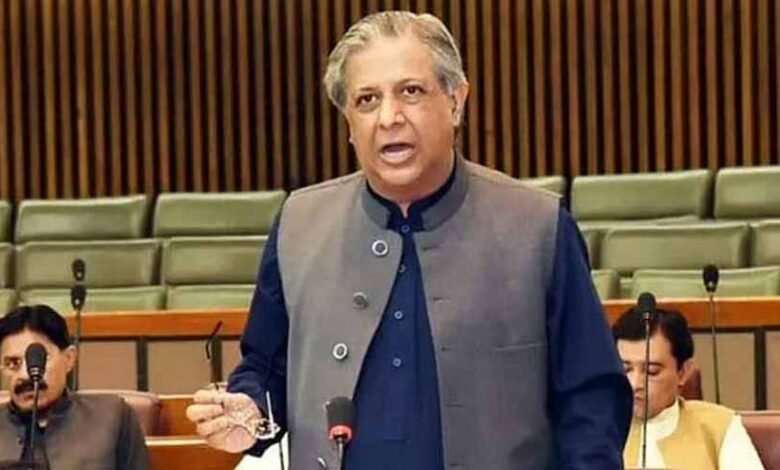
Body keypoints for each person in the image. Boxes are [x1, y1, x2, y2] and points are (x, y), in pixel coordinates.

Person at [188, 10, 631, 469]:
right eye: (367, 100)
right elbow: (267, 369)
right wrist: (250, 410)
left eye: (411, 91)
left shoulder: (538, 227)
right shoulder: (299, 225)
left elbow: (591, 402)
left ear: (456, 101)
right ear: (348, 122)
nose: (389, 117)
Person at [613, 306, 764, 469]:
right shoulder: (597, 428)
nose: (634, 384)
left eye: (651, 371)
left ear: (683, 372)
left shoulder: (719, 426)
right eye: (625, 369)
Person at [0, 305, 150, 469]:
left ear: (69, 359)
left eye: (38, 360)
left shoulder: (113, 417)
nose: (25, 375)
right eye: (12, 363)